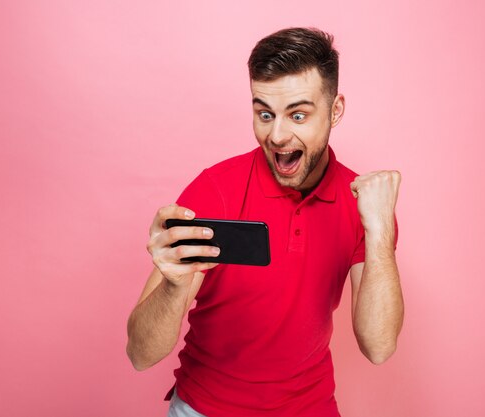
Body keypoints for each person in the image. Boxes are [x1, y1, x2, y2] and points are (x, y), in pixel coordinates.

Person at [126, 27, 404, 417]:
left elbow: (379, 347)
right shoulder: (215, 190)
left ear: (335, 110)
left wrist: (379, 230)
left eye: (299, 115)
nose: (276, 135)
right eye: (264, 114)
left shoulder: (363, 202)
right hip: (205, 409)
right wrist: (173, 286)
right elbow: (140, 355)